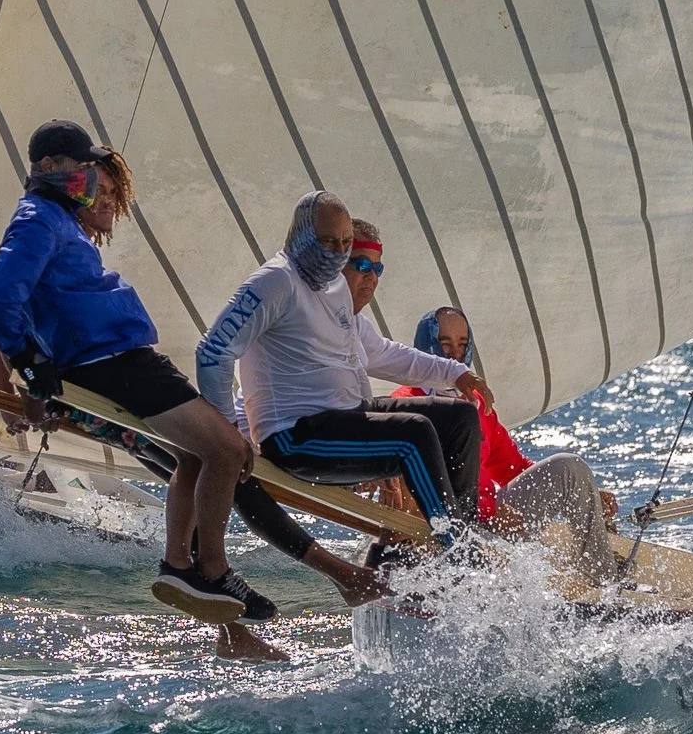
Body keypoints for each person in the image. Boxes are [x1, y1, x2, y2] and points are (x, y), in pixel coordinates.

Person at [0, 119, 272, 625]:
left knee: (195, 455)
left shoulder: (62, 219)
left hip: (119, 358)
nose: (89, 177)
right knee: (227, 449)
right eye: (80, 167)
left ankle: (180, 566)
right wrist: (28, 365)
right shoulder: (38, 216)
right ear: (47, 168)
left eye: (93, 168)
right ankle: (212, 569)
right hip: (109, 363)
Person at [197, 192, 492, 534]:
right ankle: (454, 547)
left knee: (460, 417)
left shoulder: (333, 287)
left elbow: (383, 353)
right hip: (295, 436)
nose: (337, 252)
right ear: (301, 235)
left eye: (344, 244)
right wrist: (227, 434)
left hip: (345, 417)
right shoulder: (274, 282)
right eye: (327, 241)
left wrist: (457, 374)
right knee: (414, 433)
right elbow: (213, 351)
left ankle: (466, 533)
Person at [393, 307, 620, 583]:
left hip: (493, 522)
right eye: (445, 344)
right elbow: (428, 483)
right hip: (448, 531)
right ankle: (605, 585)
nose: (454, 354)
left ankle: (603, 583)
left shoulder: (475, 401)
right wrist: (491, 511)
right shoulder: (407, 403)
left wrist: (585, 491)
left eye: (462, 345)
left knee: (571, 469)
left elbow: (511, 466)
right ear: (425, 346)